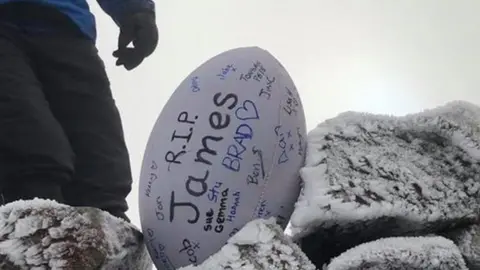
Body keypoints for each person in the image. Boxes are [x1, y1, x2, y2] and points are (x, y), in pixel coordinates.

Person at [0, 0, 158, 222]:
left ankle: (108, 233)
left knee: (101, 160)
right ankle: (33, 229)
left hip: (66, 26)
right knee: (28, 145)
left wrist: (134, 9)